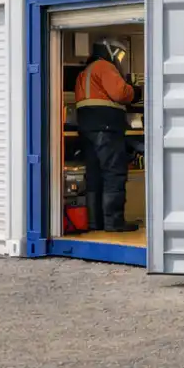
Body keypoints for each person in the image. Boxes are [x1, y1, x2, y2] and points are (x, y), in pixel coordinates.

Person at [75, 38, 141, 233]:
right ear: (110, 51)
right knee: (114, 174)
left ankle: (95, 223)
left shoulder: (84, 72)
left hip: (88, 129)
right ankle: (114, 222)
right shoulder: (104, 67)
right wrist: (135, 91)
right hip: (107, 128)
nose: (119, 58)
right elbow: (121, 93)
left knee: (94, 176)